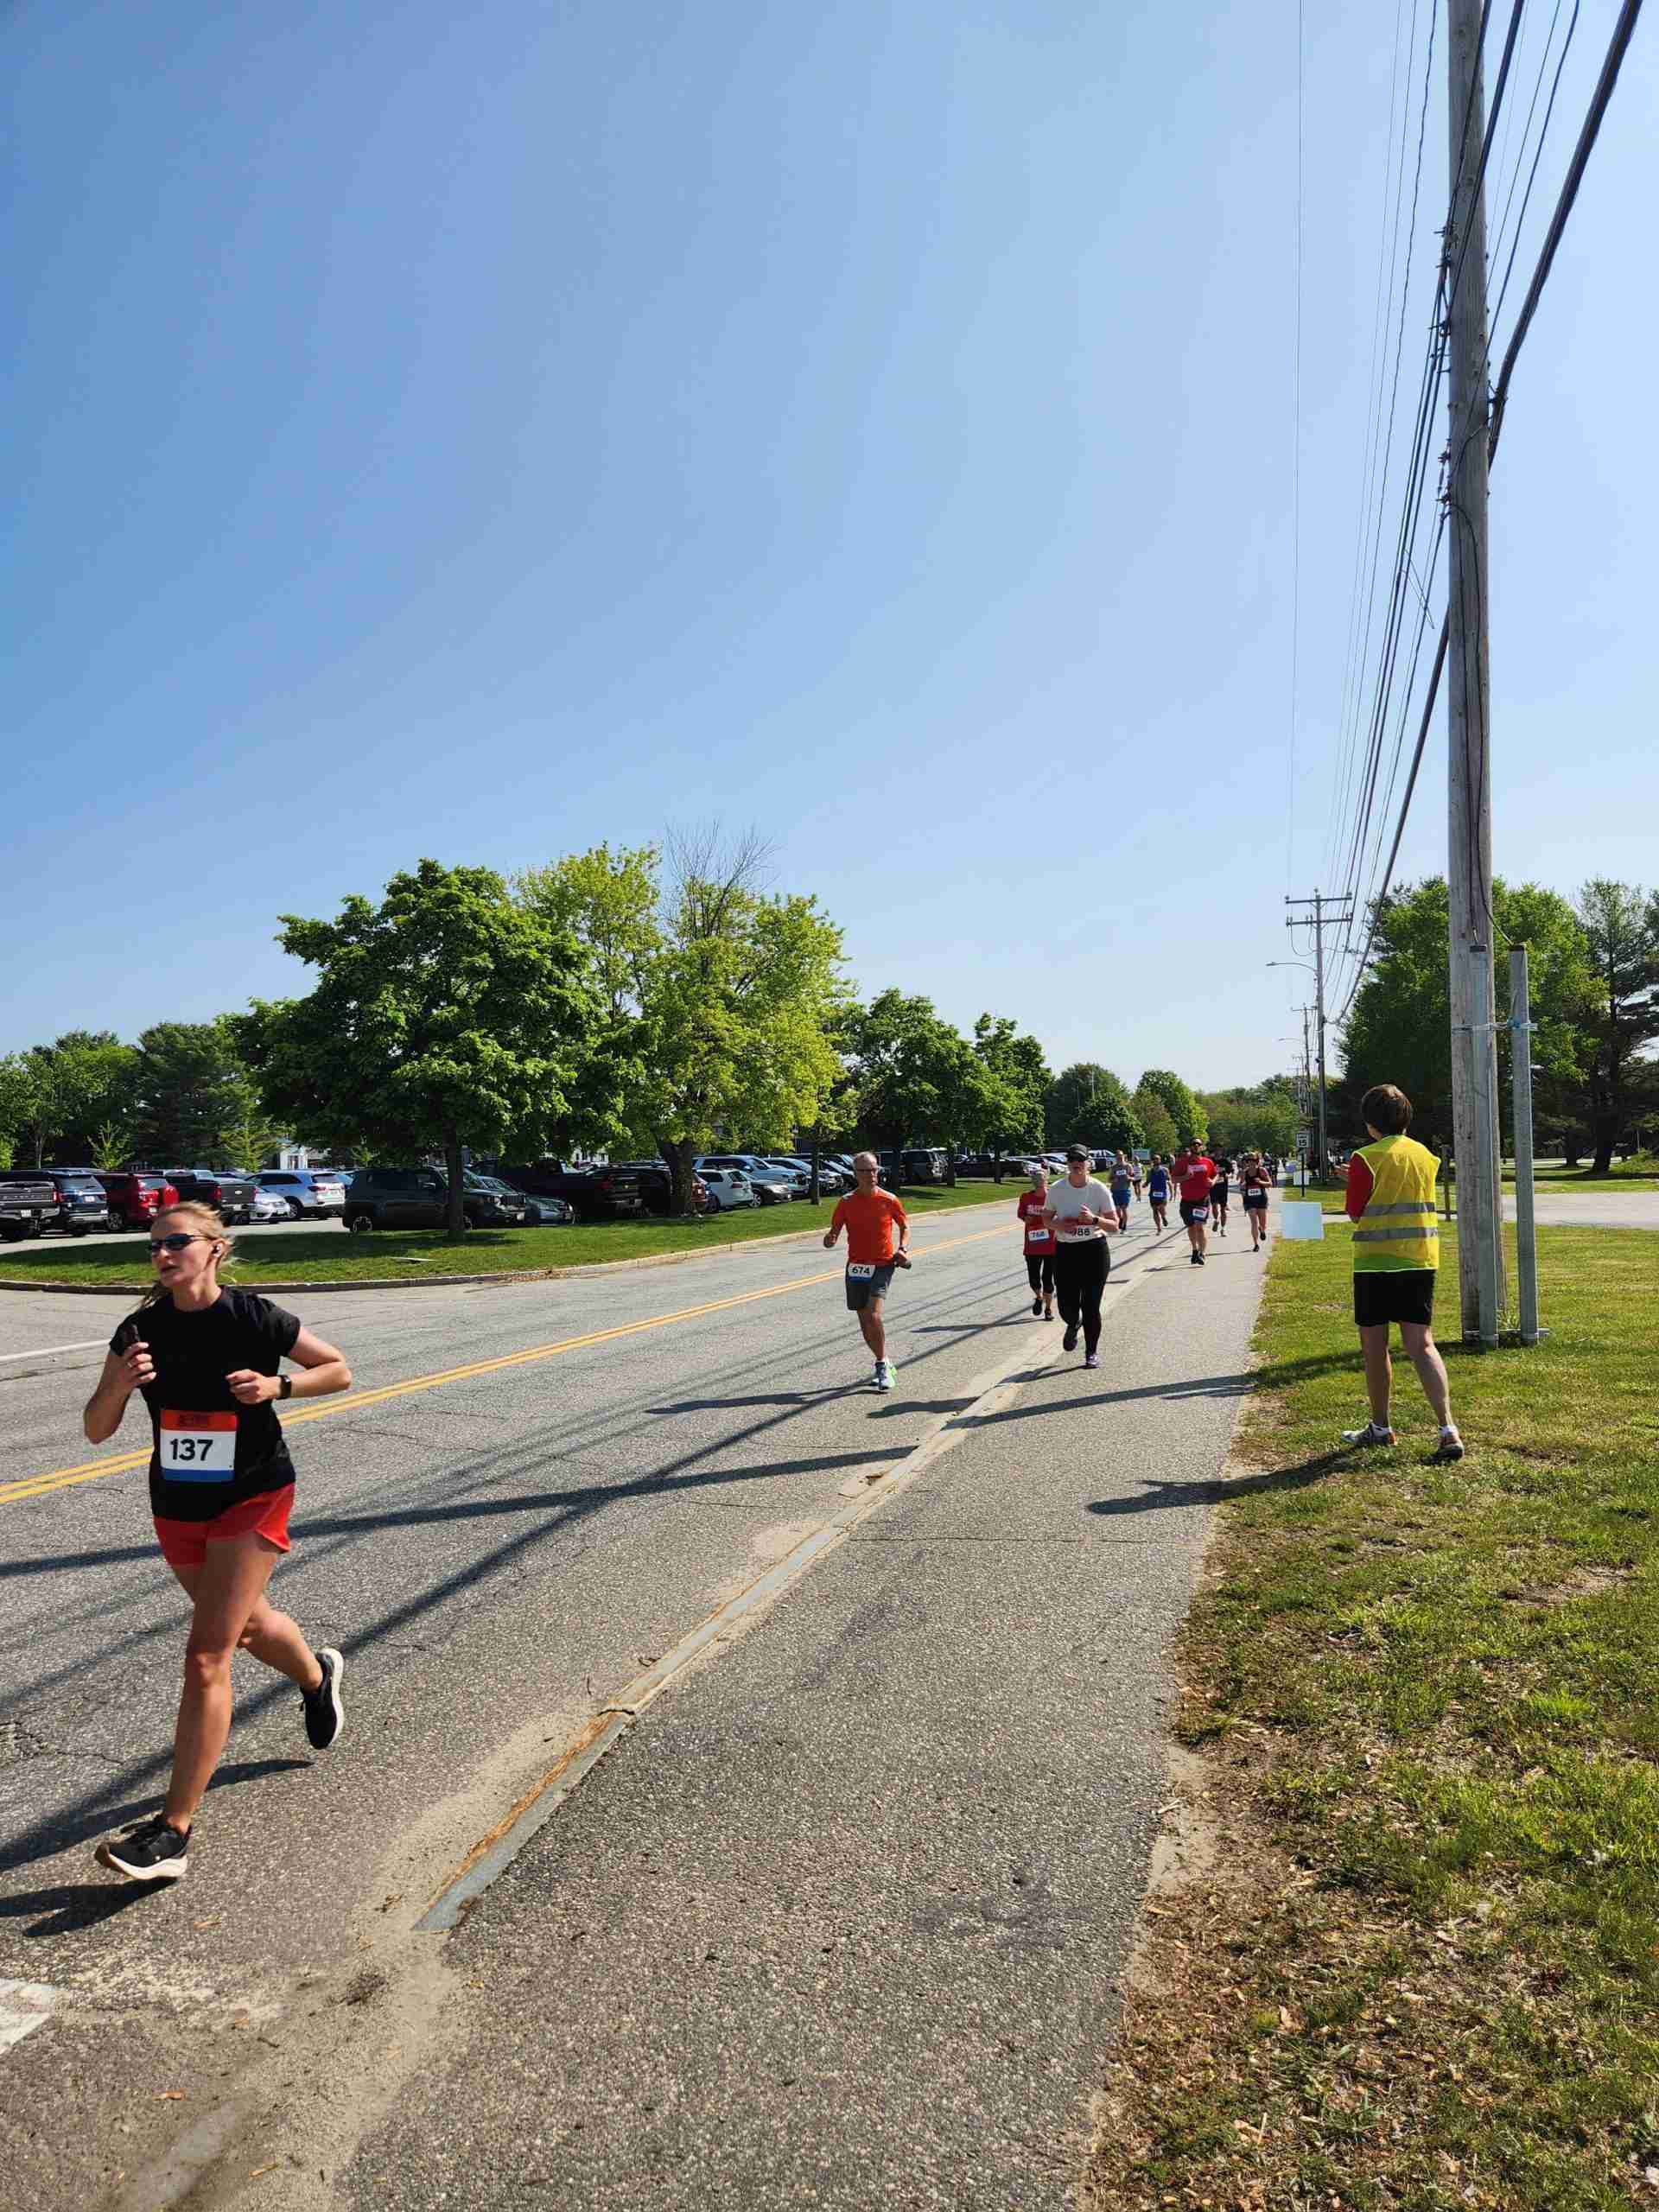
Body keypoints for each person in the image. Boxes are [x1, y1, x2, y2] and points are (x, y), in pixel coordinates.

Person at [81, 1205, 353, 1883]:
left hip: (254, 1494)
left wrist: (278, 1385)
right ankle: (317, 1677)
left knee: (207, 1654)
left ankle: (173, 1832)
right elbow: (96, 1428)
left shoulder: (253, 1318)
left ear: (215, 1249)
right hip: (178, 1504)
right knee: (249, 1627)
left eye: (177, 1242)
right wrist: (119, 1384)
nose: (163, 1254)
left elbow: (338, 1369)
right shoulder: (139, 1331)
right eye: (154, 1246)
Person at [1341, 1085, 1464, 1459]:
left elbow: (1356, 1212)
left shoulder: (1365, 1158)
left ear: (1370, 1123)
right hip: (1420, 1260)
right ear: (1407, 1117)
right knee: (1422, 1345)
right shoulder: (1426, 1156)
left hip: (1375, 1264)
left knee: (1375, 1348)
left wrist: (1351, 1180)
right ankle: (1448, 1429)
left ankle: (1381, 1427)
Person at [823, 1152, 911, 1391]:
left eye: (874, 1170)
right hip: (856, 1266)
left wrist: (902, 1248)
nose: (871, 1174)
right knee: (864, 1320)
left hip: (883, 1263)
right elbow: (834, 1231)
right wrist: (830, 1238)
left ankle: (881, 1365)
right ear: (856, 1174)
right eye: (865, 1171)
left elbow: (904, 1226)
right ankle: (885, 1360)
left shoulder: (889, 1199)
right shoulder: (846, 1202)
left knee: (873, 1314)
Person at [1043, 1143, 1115, 1368]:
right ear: (1067, 1163)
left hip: (1094, 1251)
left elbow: (1114, 1225)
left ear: (1087, 1164)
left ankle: (1091, 1352)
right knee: (1067, 1305)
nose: (1076, 1164)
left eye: (1080, 1160)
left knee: (1091, 1306)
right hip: (1066, 1251)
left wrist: (1094, 1219)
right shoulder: (1057, 1189)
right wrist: (1060, 1225)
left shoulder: (1099, 1189)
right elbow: (1046, 1219)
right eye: (1072, 1160)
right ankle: (1073, 1323)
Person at [1016, 1164, 1055, 1319]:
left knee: (1048, 1279)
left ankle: (1048, 1309)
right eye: (1035, 1178)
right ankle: (1039, 1297)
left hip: (1051, 1245)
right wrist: (1025, 1218)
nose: (1038, 1180)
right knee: (1034, 1278)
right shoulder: (1026, 1197)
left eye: (1041, 1178)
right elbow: (1020, 1213)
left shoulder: (1052, 1197)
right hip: (1032, 1245)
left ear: (1046, 1179)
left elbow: (1061, 1213)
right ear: (1032, 1181)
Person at [1172, 1141, 1217, 1266]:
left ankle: (1202, 1253)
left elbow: (1215, 1175)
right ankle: (1194, 1250)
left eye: (1199, 1144)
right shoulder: (1182, 1162)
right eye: (1194, 1144)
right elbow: (1173, 1179)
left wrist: (1212, 1182)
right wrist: (1185, 1177)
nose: (1196, 1146)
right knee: (1191, 1227)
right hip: (1187, 1200)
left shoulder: (1208, 1162)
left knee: (1200, 1227)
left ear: (1202, 1147)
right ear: (1190, 1147)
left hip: (1202, 1200)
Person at [1238, 1150, 1272, 1251]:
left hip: (1261, 1198)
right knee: (1254, 1222)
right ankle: (1256, 1244)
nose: (1251, 1162)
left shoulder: (1262, 1170)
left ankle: (1262, 1230)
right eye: (1249, 1160)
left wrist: (1260, 1181)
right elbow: (1241, 1186)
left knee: (1263, 1223)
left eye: (1253, 1160)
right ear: (1246, 1162)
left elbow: (1270, 1184)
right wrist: (1243, 1186)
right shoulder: (1244, 1173)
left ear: (1257, 1161)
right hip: (1249, 1200)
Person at [1108, 1151, 1137, 1233]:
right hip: (1115, 1190)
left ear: (1124, 1156)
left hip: (1125, 1190)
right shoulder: (1113, 1167)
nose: (1120, 1158)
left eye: (1121, 1156)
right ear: (1116, 1158)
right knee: (1117, 1209)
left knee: (1124, 1208)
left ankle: (1124, 1226)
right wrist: (1114, 1180)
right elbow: (1109, 1179)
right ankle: (1121, 1220)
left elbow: (1134, 1177)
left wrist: (1129, 1178)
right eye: (1118, 1156)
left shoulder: (1128, 1166)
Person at [1145, 1153, 1171, 1231]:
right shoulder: (1150, 1171)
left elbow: (1169, 1180)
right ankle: (1159, 1228)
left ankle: (1163, 1217)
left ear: (1160, 1160)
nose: (1155, 1160)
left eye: (1157, 1159)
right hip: (1153, 1193)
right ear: (1152, 1161)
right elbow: (1148, 1180)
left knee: (1161, 1207)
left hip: (1162, 1193)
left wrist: (1172, 1192)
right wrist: (1145, 1184)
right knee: (1155, 1210)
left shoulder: (1165, 1170)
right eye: (1154, 1159)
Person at [1211, 1157, 1231, 1236]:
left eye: (1219, 1150)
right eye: (1216, 1151)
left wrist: (1228, 1175)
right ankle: (1216, 1220)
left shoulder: (1225, 1161)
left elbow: (1231, 1172)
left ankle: (1223, 1229)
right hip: (1213, 1187)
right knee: (1214, 1205)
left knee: (1223, 1209)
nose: (1217, 1152)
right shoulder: (1210, 1160)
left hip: (1223, 1188)